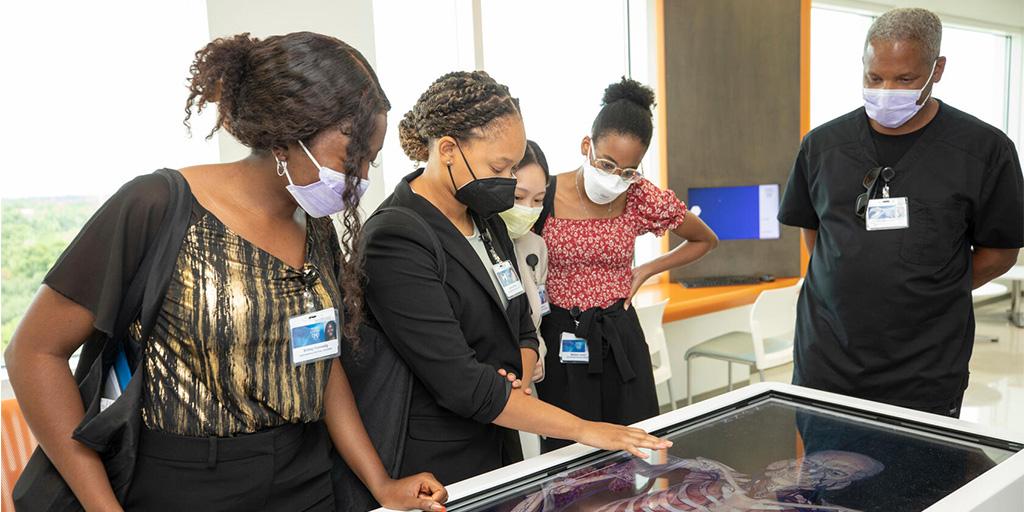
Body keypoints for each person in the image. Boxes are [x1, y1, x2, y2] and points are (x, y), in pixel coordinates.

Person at [4, 32, 446, 511]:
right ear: (287, 132)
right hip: (185, 484)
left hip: (305, 479)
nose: (360, 176)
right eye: (351, 157)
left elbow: (319, 361)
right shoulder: (156, 205)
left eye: (369, 161)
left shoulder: (315, 230)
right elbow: (34, 353)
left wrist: (380, 483)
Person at [359, 71, 671, 485]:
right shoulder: (396, 237)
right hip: (438, 461)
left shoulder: (485, 219)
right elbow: (460, 382)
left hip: (498, 436)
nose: (509, 182)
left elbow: (523, 320)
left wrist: (519, 372)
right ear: (448, 150)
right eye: (500, 167)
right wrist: (585, 429)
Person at [777, 8, 1023, 417]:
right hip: (827, 366)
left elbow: (1000, 252)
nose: (886, 89)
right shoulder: (822, 146)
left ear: (937, 69)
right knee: (825, 478)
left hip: (924, 373)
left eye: (904, 79)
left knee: (925, 480)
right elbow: (816, 234)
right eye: (875, 78)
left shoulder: (984, 151)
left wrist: (934, 290)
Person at [535, 78, 718, 452]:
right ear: (587, 146)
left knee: (634, 449)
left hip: (620, 339)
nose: (615, 178)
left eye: (628, 170)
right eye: (606, 163)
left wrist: (648, 269)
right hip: (563, 337)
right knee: (569, 452)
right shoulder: (545, 193)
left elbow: (704, 239)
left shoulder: (640, 196)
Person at [498, 140, 551, 384]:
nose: (528, 209)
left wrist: (539, 356)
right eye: (519, 196)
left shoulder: (536, 246)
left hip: (528, 380)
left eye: (538, 200)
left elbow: (537, 321)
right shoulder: (478, 242)